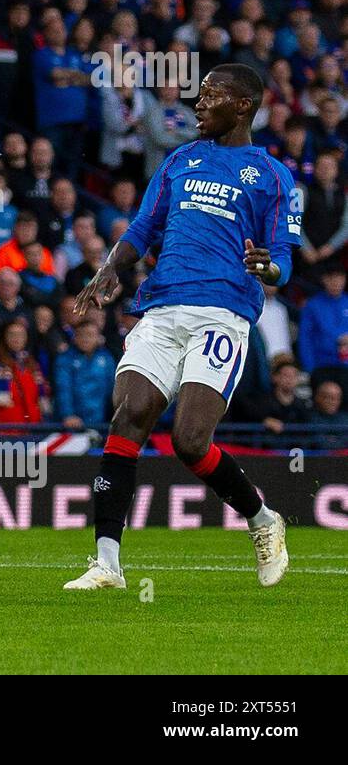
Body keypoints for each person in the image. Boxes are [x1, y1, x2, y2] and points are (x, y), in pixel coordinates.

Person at [68, 64, 298, 591]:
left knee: (191, 441)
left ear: (242, 106)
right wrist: (109, 269)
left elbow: (283, 259)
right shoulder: (180, 159)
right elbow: (145, 225)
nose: (198, 103)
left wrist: (268, 269)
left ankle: (262, 518)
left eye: (211, 95)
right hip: (163, 308)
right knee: (128, 415)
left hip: (221, 314)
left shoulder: (270, 175)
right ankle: (107, 563)